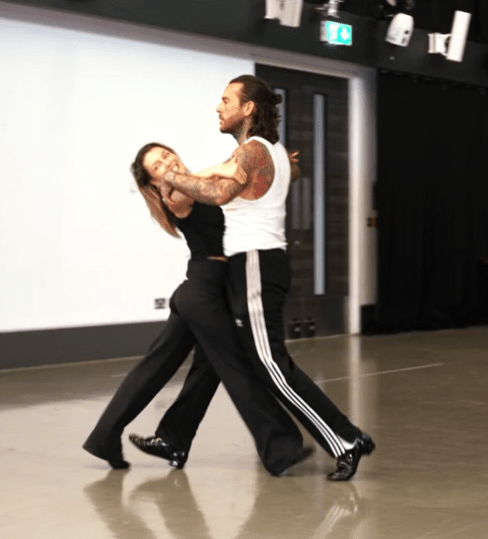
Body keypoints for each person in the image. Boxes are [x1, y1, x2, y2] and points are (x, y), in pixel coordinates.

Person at [156, 75, 374, 481]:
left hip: (256, 262)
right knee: (252, 359)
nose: (218, 107)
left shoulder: (254, 151)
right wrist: (189, 177)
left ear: (248, 108)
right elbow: (221, 178)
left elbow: (218, 194)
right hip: (252, 264)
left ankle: (345, 439)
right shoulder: (260, 151)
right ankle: (184, 437)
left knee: (270, 362)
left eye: (225, 100)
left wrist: (169, 176)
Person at [82, 143, 311, 477]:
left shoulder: (199, 185)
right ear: (153, 182)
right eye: (158, 165)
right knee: (234, 364)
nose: (167, 161)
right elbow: (195, 180)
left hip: (208, 291)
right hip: (202, 292)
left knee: (191, 369)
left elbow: (239, 178)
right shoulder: (173, 195)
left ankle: (165, 439)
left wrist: (273, 165)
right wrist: (219, 168)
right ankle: (280, 448)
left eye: (166, 154)